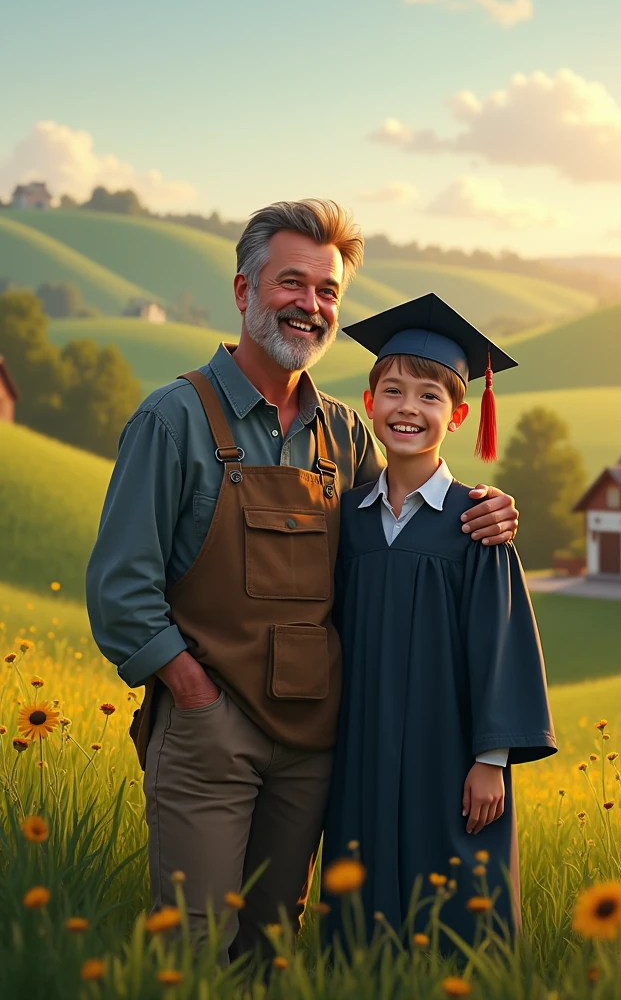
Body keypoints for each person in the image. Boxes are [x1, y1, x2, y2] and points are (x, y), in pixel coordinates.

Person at [85, 200, 520, 961]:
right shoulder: (173, 420)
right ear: (244, 291)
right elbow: (120, 590)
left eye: (327, 291)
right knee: (194, 943)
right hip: (211, 728)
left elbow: (395, 522)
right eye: (293, 283)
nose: (311, 306)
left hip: (314, 741)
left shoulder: (345, 431)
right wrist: (191, 690)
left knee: (272, 942)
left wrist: (482, 507)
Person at [322, 292, 557, 950]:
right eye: (393, 392)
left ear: (457, 416)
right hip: (361, 745)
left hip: (448, 750)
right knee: (358, 892)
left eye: (429, 398)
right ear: (369, 405)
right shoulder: (349, 519)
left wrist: (491, 759)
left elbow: (501, 644)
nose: (408, 409)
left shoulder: (474, 523)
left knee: (455, 895)